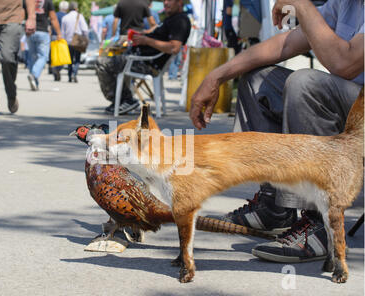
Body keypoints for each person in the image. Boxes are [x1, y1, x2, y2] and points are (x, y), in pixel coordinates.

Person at [190, 0, 363, 263]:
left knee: (305, 84)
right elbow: (285, 44)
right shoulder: (346, 3)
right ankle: (275, 208)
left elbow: (345, 63)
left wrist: (303, 7)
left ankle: (322, 225)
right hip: (353, 110)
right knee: (257, 79)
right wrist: (217, 76)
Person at [96, 0, 191, 115]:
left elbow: (174, 48)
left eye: (169, 0)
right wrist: (142, 36)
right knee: (110, 57)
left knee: (102, 62)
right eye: (164, 0)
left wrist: (147, 40)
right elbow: (155, 31)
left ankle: (125, 100)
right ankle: (122, 100)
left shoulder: (180, 20)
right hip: (140, 58)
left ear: (179, 2)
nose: (165, 3)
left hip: (147, 63)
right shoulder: (172, 19)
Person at [27, 0, 62, 91]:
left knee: (33, 58)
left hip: (30, 31)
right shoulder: (48, 1)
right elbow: (53, 18)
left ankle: (35, 82)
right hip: (43, 31)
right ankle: (34, 75)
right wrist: (58, 33)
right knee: (43, 57)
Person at [61, 1, 88, 83]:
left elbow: (63, 32)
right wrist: (85, 38)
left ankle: (69, 76)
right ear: (76, 8)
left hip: (68, 42)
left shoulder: (65, 18)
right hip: (78, 41)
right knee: (77, 59)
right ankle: (74, 73)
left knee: (69, 59)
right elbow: (85, 29)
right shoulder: (80, 16)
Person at [51, 1, 69, 82]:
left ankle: (55, 68)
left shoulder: (55, 15)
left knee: (55, 56)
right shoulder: (67, 16)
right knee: (62, 56)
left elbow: (51, 25)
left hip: (54, 36)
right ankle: (58, 68)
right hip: (62, 37)